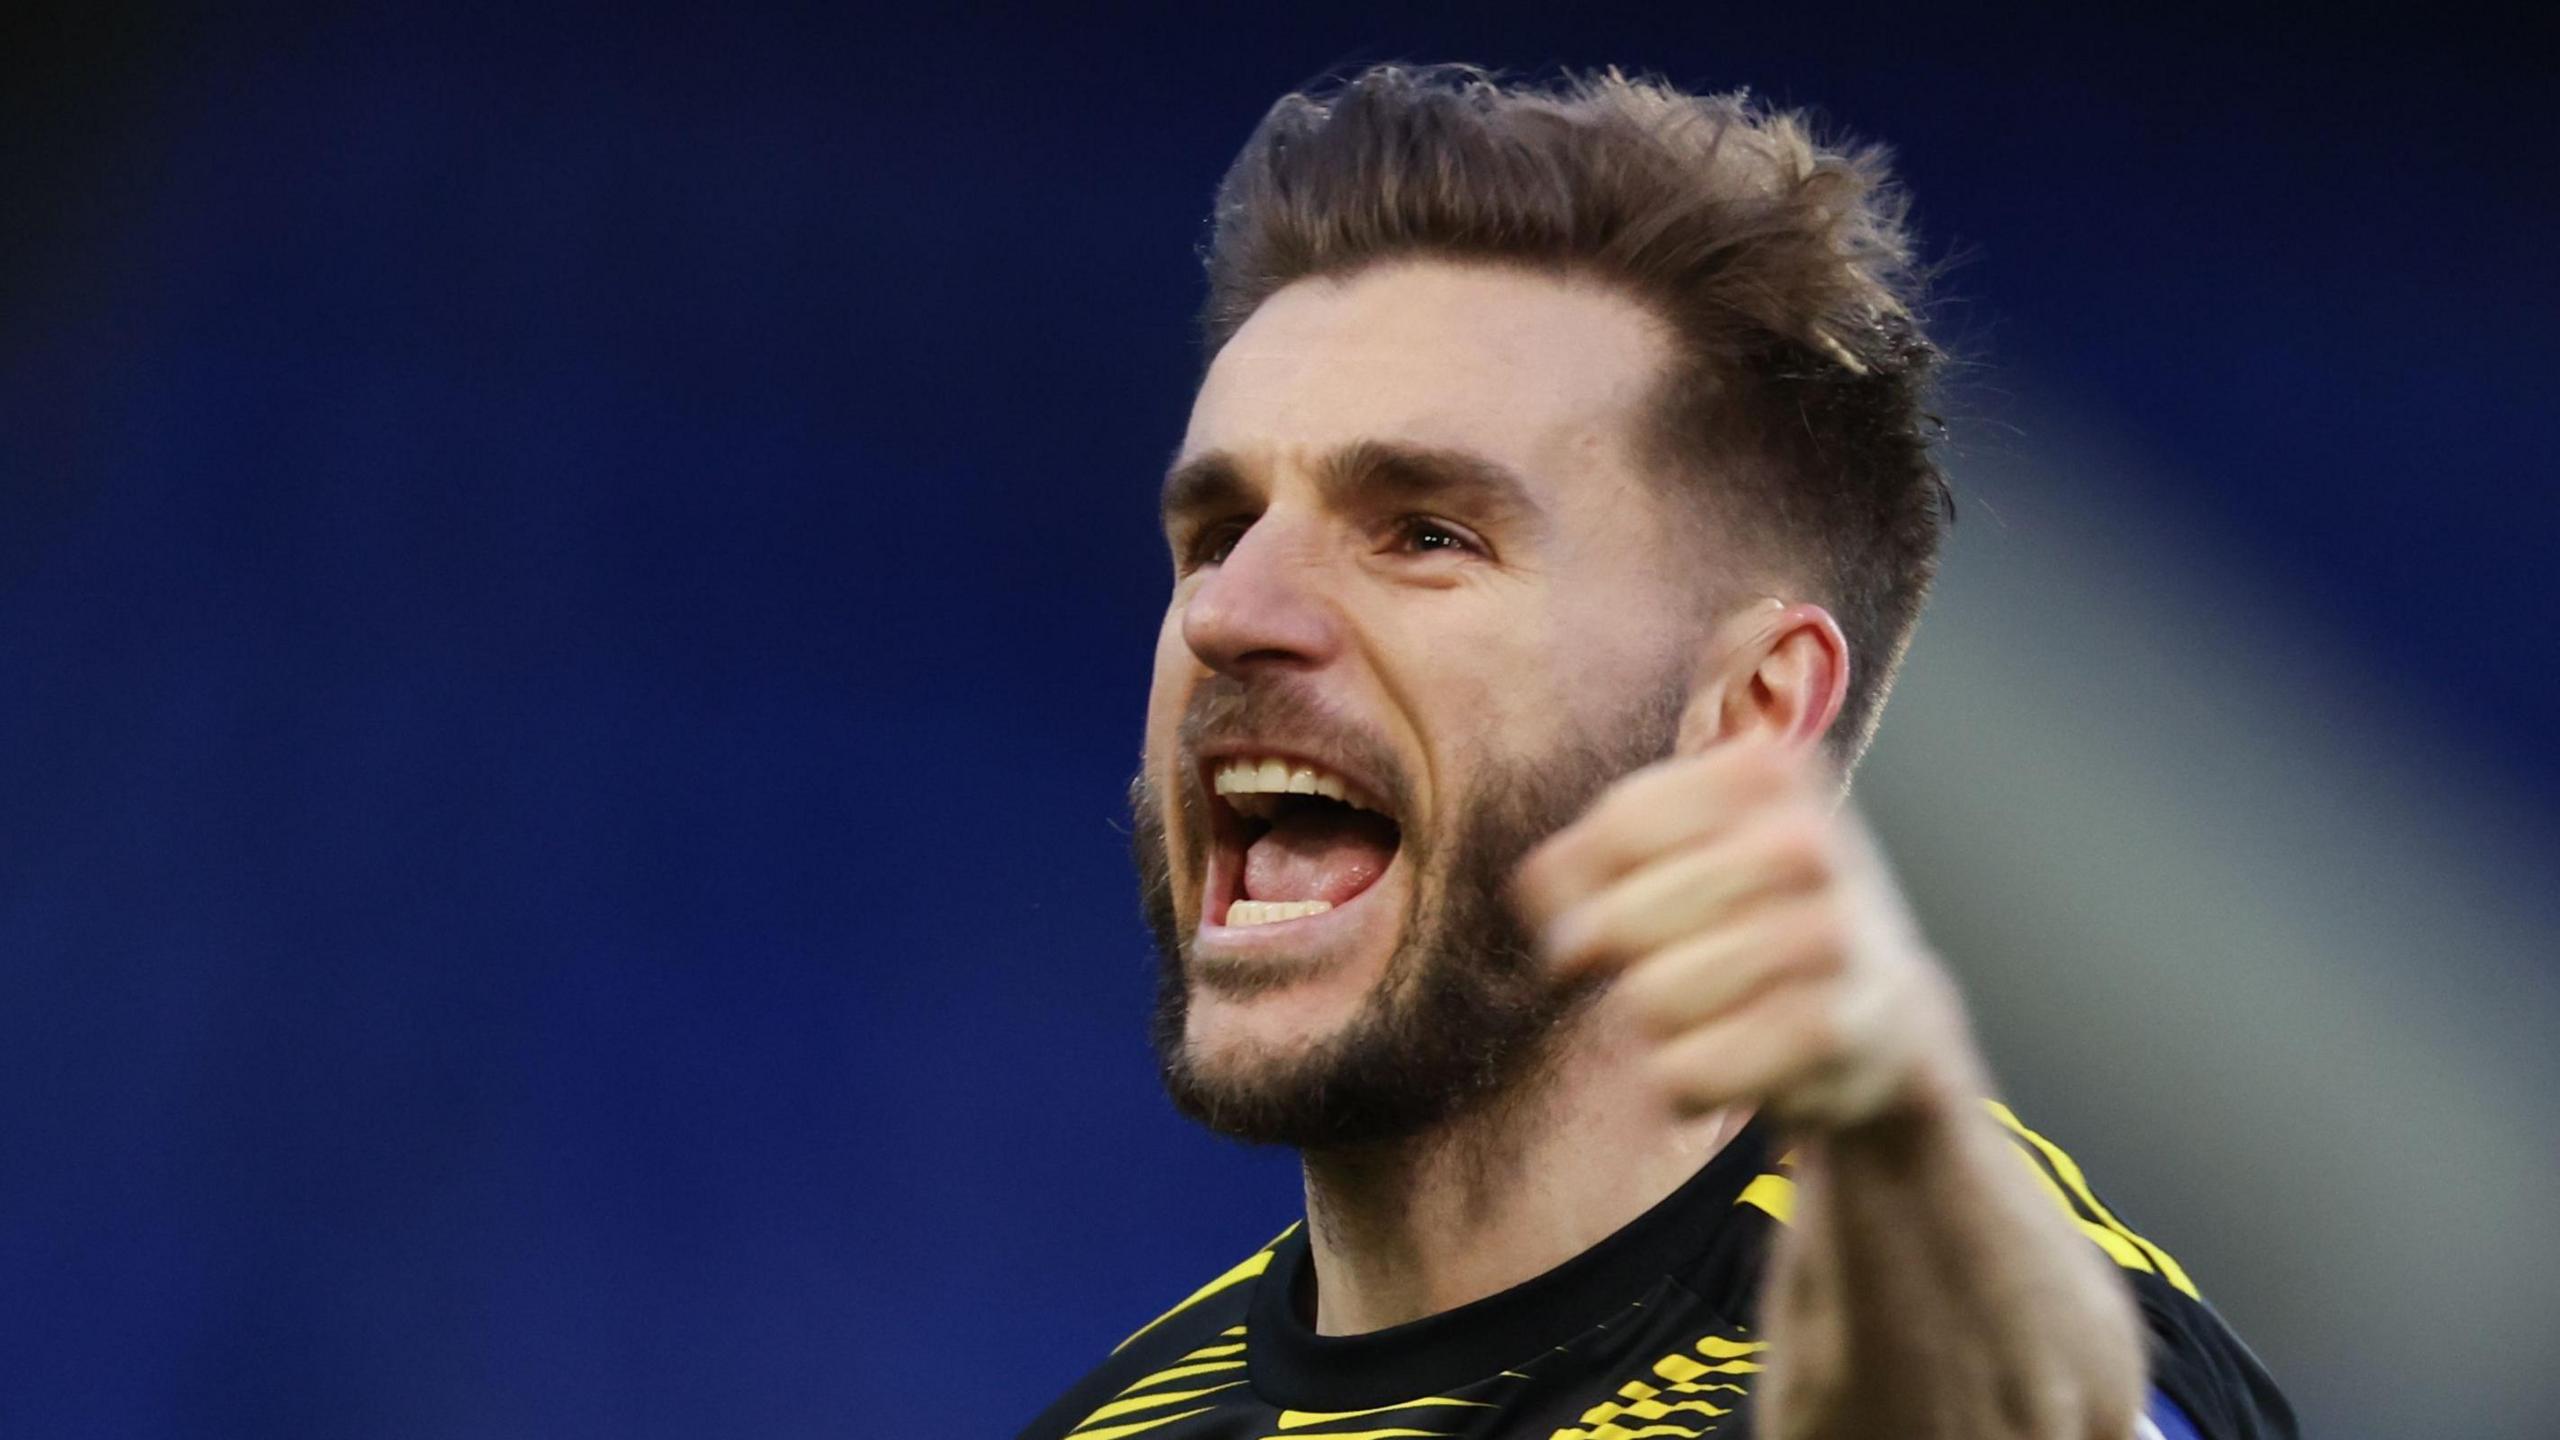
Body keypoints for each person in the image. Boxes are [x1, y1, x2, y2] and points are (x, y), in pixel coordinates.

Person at [1021, 65, 2295, 1440]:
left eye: (1426, 535)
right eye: (1214, 535)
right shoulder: (1128, 1417)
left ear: (1748, 712)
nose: (1228, 613)